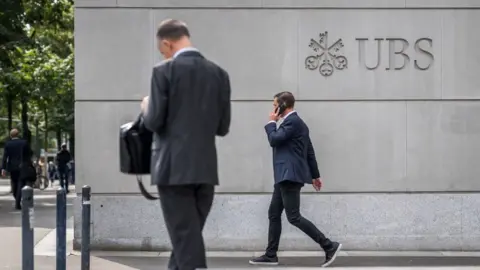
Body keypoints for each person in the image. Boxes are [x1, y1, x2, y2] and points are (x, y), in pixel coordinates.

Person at [141, 19, 231, 270]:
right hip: (205, 172)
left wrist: (147, 107)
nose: (164, 54)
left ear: (167, 44)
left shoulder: (164, 72)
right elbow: (223, 128)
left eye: (163, 50)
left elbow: (154, 122)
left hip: (172, 171)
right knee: (187, 241)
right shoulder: (219, 75)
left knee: (186, 242)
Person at [249, 92, 342, 268]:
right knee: (274, 213)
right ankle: (271, 255)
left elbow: (274, 139)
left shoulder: (293, 122)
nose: (273, 108)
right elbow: (309, 152)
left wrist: (271, 123)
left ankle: (329, 246)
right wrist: (315, 176)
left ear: (283, 105)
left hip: (289, 176)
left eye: (275, 104)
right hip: (284, 176)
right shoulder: (298, 124)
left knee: (294, 217)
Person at [1, 129, 28, 210]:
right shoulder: (24, 143)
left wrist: (3, 168)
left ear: (10, 135)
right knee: (20, 183)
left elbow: (5, 157)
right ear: (18, 134)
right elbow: (28, 154)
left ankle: (17, 199)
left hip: (12, 167)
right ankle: (18, 201)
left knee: (14, 183)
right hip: (22, 166)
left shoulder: (8, 144)